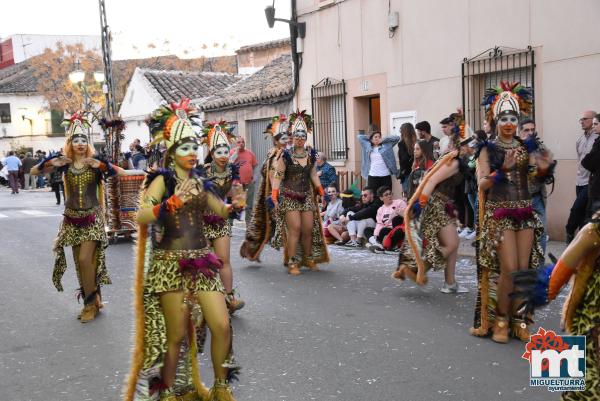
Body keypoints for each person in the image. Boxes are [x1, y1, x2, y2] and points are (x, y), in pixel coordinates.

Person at [124, 99, 240, 401]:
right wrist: (173, 202)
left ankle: (221, 386)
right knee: (175, 336)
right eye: (185, 147)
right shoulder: (162, 180)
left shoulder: (202, 183)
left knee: (222, 325)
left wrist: (234, 205)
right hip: (170, 266)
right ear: (172, 151)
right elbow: (142, 215)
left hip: (203, 263)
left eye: (194, 147)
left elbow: (221, 210)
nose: (191, 152)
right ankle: (170, 392)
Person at [470, 81, 548, 343]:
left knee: (525, 269)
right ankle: (500, 319)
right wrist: (503, 169)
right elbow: (482, 184)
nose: (508, 122)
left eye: (513, 117)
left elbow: (534, 181)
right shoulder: (486, 148)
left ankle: (518, 320)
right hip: (499, 212)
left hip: (525, 211)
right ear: (494, 119)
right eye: (503, 117)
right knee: (509, 269)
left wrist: (544, 169)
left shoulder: (526, 147)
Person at [30, 111, 125, 322]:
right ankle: (93, 300)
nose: (80, 143)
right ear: (70, 143)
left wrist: (101, 166)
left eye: (84, 139)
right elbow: (34, 173)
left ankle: (91, 304)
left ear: (88, 143)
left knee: (85, 259)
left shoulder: (95, 163)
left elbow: (119, 172)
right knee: (80, 261)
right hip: (71, 219)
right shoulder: (64, 163)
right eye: (76, 140)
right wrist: (49, 163)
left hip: (92, 217)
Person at [512, 211, 600, 401]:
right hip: (589, 326)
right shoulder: (593, 232)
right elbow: (554, 281)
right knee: (579, 387)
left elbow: (552, 284)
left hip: (587, 325)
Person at [392, 112, 469, 294]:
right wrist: (421, 203)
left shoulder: (452, 160)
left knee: (454, 243)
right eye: (467, 145)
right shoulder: (454, 162)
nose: (470, 148)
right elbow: (431, 180)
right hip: (437, 205)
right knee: (450, 244)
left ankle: (450, 283)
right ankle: (418, 269)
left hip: (443, 204)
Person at [271, 110, 329, 275]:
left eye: (302, 137)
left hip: (307, 196)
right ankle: (292, 262)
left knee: (308, 229)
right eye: (297, 137)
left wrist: (320, 189)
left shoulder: (311, 154)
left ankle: (309, 258)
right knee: (295, 228)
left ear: (306, 138)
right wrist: (274, 194)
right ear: (292, 137)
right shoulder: (286, 155)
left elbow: (312, 173)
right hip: (289, 195)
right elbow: (278, 175)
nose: (299, 139)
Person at [202, 122, 246, 314]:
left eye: (225, 151)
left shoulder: (231, 171)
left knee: (223, 260)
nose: (222, 155)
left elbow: (237, 193)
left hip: (221, 220)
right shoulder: (202, 171)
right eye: (218, 151)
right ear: (211, 153)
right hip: (201, 221)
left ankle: (229, 298)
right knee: (202, 261)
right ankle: (202, 299)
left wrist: (238, 201)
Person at [240, 115, 288, 262]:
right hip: (273, 197)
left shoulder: (277, 153)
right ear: (276, 141)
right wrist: (276, 195)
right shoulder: (275, 155)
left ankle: (254, 253)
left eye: (287, 139)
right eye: (283, 139)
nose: (286, 142)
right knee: (281, 226)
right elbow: (272, 174)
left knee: (271, 226)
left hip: (275, 195)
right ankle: (290, 257)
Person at [518, 118, 556, 256]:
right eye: (526, 130)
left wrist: (547, 168)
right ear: (520, 131)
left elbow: (545, 175)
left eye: (532, 130)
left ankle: (539, 272)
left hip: (537, 198)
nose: (530, 133)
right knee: (522, 239)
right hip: (519, 201)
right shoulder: (514, 148)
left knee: (541, 234)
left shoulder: (540, 147)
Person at [565, 110, 598, 243]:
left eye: (585, 119)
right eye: (581, 119)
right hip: (579, 181)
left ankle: (569, 232)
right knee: (583, 213)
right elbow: (580, 160)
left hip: (590, 181)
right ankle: (578, 243)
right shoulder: (580, 139)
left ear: (593, 120)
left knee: (576, 208)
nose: (582, 122)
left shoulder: (597, 138)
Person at [358, 124, 400, 195]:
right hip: (373, 176)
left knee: (386, 196)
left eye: (379, 137)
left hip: (385, 176)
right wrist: (371, 137)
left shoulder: (386, 146)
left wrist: (382, 140)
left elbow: (397, 138)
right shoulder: (367, 147)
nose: (377, 138)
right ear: (371, 138)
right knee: (373, 198)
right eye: (375, 137)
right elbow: (359, 137)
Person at [366, 186, 406, 252]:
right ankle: (377, 243)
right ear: (381, 198)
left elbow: (406, 215)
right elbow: (379, 224)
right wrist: (376, 235)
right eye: (386, 195)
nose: (389, 196)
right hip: (387, 230)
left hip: (398, 228)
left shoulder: (399, 202)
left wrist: (397, 212)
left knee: (396, 220)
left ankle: (383, 246)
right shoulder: (381, 209)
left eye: (390, 193)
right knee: (368, 230)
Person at [229, 136, 258, 225]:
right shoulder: (232, 152)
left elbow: (255, 166)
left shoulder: (250, 153)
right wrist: (236, 152)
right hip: (237, 185)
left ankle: (248, 224)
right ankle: (230, 225)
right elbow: (230, 162)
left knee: (249, 206)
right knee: (236, 205)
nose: (241, 144)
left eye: (242, 142)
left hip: (249, 183)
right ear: (235, 144)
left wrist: (254, 177)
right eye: (239, 142)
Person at [582, 113, 600, 220]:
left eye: (596, 124)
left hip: (598, 189)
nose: (593, 126)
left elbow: (587, 162)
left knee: (593, 224)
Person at [397, 122, 417, 196]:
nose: (400, 133)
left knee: (407, 196)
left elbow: (404, 159)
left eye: (401, 131)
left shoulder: (402, 143)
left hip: (406, 173)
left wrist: (402, 169)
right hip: (417, 172)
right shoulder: (417, 142)